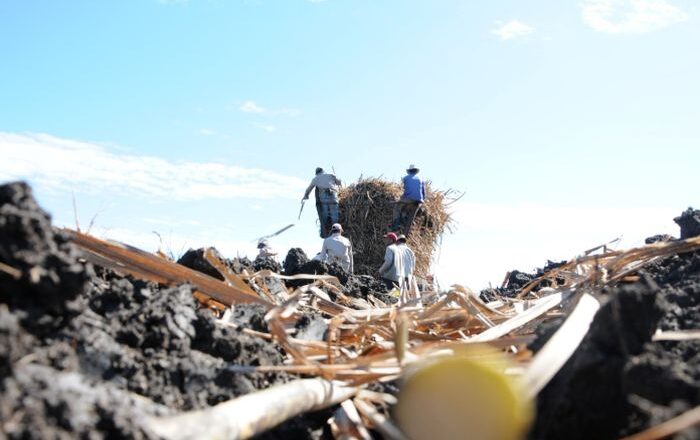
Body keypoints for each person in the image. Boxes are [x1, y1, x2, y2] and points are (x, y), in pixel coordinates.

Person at [303, 167, 342, 238]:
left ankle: (326, 232)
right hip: (333, 196)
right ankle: (336, 232)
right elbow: (339, 182)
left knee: (325, 215)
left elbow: (309, 189)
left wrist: (306, 196)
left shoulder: (315, 179)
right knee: (334, 215)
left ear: (317, 173)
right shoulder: (331, 175)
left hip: (324, 198)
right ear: (323, 171)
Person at [391, 164, 425, 236]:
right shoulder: (421, 178)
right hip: (419, 201)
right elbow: (423, 192)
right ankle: (406, 232)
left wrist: (401, 199)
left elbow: (403, 189)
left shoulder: (405, 178)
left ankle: (396, 225)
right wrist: (422, 200)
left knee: (397, 207)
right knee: (411, 216)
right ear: (416, 172)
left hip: (408, 198)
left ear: (409, 171)